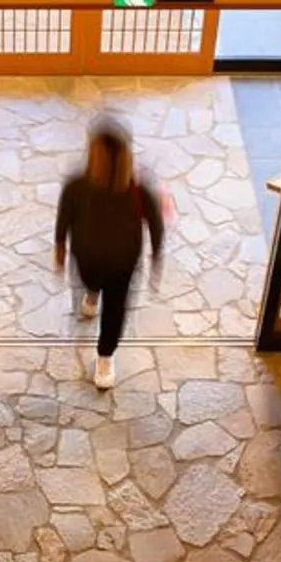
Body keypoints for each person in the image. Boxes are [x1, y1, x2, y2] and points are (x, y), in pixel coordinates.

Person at [53, 118, 166, 390]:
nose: (97, 161)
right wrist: (59, 246)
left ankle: (105, 356)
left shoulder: (138, 190)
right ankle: (92, 293)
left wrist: (156, 256)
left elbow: (155, 224)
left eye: (102, 156)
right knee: (90, 283)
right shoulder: (77, 186)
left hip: (122, 264)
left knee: (115, 310)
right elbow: (64, 216)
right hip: (87, 258)